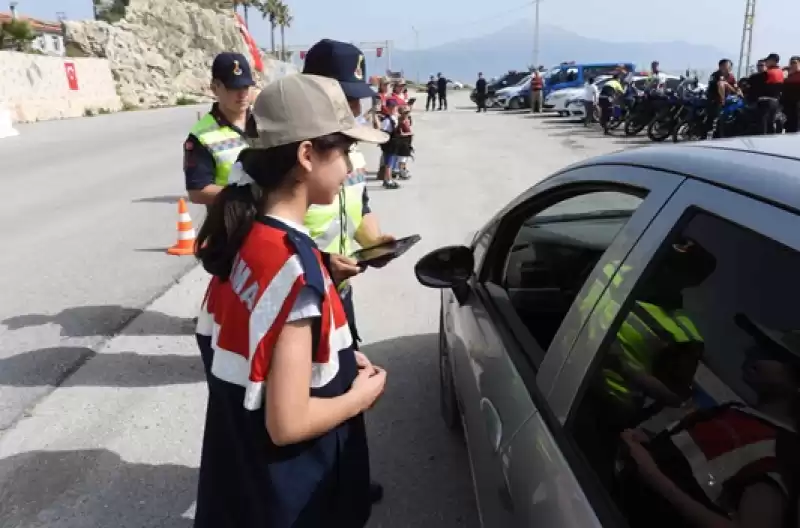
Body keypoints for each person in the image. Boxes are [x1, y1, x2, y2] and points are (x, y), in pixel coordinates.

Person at [193, 73, 389, 528]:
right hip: (296, 499)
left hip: (246, 483)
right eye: (342, 151)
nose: (349, 167)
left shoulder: (247, 237)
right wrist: (362, 394)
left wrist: (337, 361)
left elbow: (254, 344)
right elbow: (288, 423)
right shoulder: (294, 271)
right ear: (306, 155)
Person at [183, 52, 256, 209]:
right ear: (215, 88)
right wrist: (248, 196)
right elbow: (197, 191)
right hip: (231, 226)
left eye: (246, 86)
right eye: (233, 87)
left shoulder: (265, 120)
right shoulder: (201, 136)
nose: (242, 94)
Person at [706, 59, 740, 138]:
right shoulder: (715, 75)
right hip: (714, 99)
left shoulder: (731, 76)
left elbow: (736, 87)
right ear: (720, 67)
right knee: (714, 117)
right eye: (725, 66)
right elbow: (716, 86)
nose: (727, 68)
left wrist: (738, 92)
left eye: (729, 66)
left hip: (727, 99)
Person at [760, 53, 784, 135]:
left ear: (773, 61)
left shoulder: (769, 73)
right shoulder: (781, 72)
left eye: (768, 60)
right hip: (775, 101)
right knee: (771, 122)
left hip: (766, 101)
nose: (766, 62)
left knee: (764, 124)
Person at [379, 99, 401, 183]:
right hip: (389, 143)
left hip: (395, 142)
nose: (393, 109)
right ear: (387, 108)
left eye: (394, 107)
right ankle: (387, 179)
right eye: (391, 107)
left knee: (392, 161)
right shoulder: (387, 120)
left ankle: (389, 177)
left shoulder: (395, 117)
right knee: (388, 162)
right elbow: (383, 132)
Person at [782, 56, 800, 133]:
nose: (792, 65)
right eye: (791, 63)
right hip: (788, 104)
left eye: (794, 63)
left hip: (797, 103)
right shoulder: (787, 74)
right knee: (790, 125)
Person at [395, 107, 414, 179]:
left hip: (407, 142)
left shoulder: (406, 121)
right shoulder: (401, 122)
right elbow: (400, 133)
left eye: (408, 113)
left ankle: (403, 171)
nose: (407, 114)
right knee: (402, 159)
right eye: (405, 113)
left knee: (404, 158)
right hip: (403, 142)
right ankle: (401, 172)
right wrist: (410, 133)